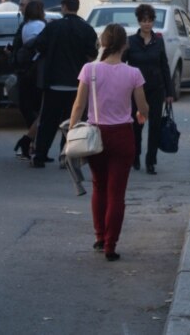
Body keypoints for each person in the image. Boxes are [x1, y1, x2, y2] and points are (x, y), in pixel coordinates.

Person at [67, 23, 149, 261]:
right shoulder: (133, 73)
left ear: (102, 42)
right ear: (125, 45)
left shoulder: (89, 70)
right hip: (123, 135)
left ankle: (100, 236)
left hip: (95, 134)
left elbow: (79, 105)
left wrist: (72, 130)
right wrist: (140, 114)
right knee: (117, 193)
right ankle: (111, 246)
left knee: (99, 187)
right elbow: (143, 108)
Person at [30, 0, 99, 168]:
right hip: (77, 85)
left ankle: (40, 156)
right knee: (73, 122)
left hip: (54, 83)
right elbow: (93, 55)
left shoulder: (53, 27)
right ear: (77, 7)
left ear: (64, 7)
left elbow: (39, 45)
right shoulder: (87, 29)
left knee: (48, 121)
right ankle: (67, 157)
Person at [123, 4, 173, 175]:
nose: (146, 24)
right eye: (143, 21)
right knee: (137, 126)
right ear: (138, 22)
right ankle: (135, 156)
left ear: (153, 21)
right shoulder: (130, 41)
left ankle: (151, 161)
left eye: (149, 20)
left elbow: (164, 66)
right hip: (136, 91)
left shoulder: (158, 41)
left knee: (155, 126)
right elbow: (122, 66)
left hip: (156, 89)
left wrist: (169, 92)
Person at [11, 0, 47, 160]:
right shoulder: (40, 26)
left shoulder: (25, 27)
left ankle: (30, 143)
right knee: (43, 111)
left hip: (26, 73)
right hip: (38, 73)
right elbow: (43, 46)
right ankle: (31, 142)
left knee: (35, 110)